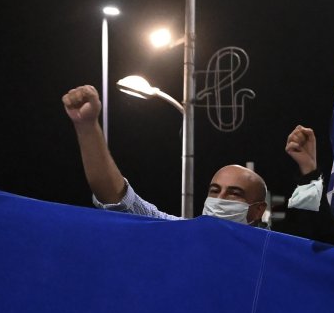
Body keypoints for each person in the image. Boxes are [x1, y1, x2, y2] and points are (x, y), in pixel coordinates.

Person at [62, 84, 267, 224]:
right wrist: (87, 126)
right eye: (214, 191)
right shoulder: (179, 233)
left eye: (234, 193)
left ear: (258, 210)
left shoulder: (272, 255)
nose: (219, 199)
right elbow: (117, 200)